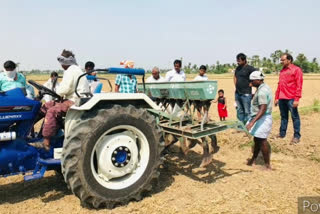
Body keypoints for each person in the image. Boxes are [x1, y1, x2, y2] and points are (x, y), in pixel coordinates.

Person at [29, 49, 89, 151]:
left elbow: (64, 89)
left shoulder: (71, 70)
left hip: (75, 100)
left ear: (64, 62)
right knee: (47, 105)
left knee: (52, 111)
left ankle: (46, 143)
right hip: (72, 98)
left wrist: (57, 92)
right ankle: (30, 132)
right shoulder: (75, 69)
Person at [246, 71, 272, 170]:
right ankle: (253, 159)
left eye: (252, 81)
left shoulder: (261, 92)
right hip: (261, 117)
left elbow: (263, 108)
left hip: (263, 118)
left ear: (258, 80)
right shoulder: (264, 87)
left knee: (262, 140)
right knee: (257, 139)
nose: (250, 83)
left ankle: (267, 165)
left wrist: (252, 122)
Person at [274, 53, 303, 144]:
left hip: (291, 98)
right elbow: (280, 85)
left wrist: (297, 99)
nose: (281, 62)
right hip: (282, 98)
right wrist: (277, 97)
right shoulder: (282, 71)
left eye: (283, 60)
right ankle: (282, 134)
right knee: (283, 117)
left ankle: (296, 136)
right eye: (281, 60)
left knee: (295, 117)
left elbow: (299, 85)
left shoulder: (296, 70)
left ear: (289, 60)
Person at [234, 53, 256, 125]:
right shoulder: (238, 68)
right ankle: (241, 126)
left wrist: (252, 84)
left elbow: (257, 75)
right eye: (237, 61)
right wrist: (236, 84)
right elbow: (235, 77)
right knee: (240, 110)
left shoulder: (250, 68)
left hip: (246, 93)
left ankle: (248, 126)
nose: (238, 62)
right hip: (238, 93)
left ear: (244, 60)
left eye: (239, 61)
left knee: (247, 111)